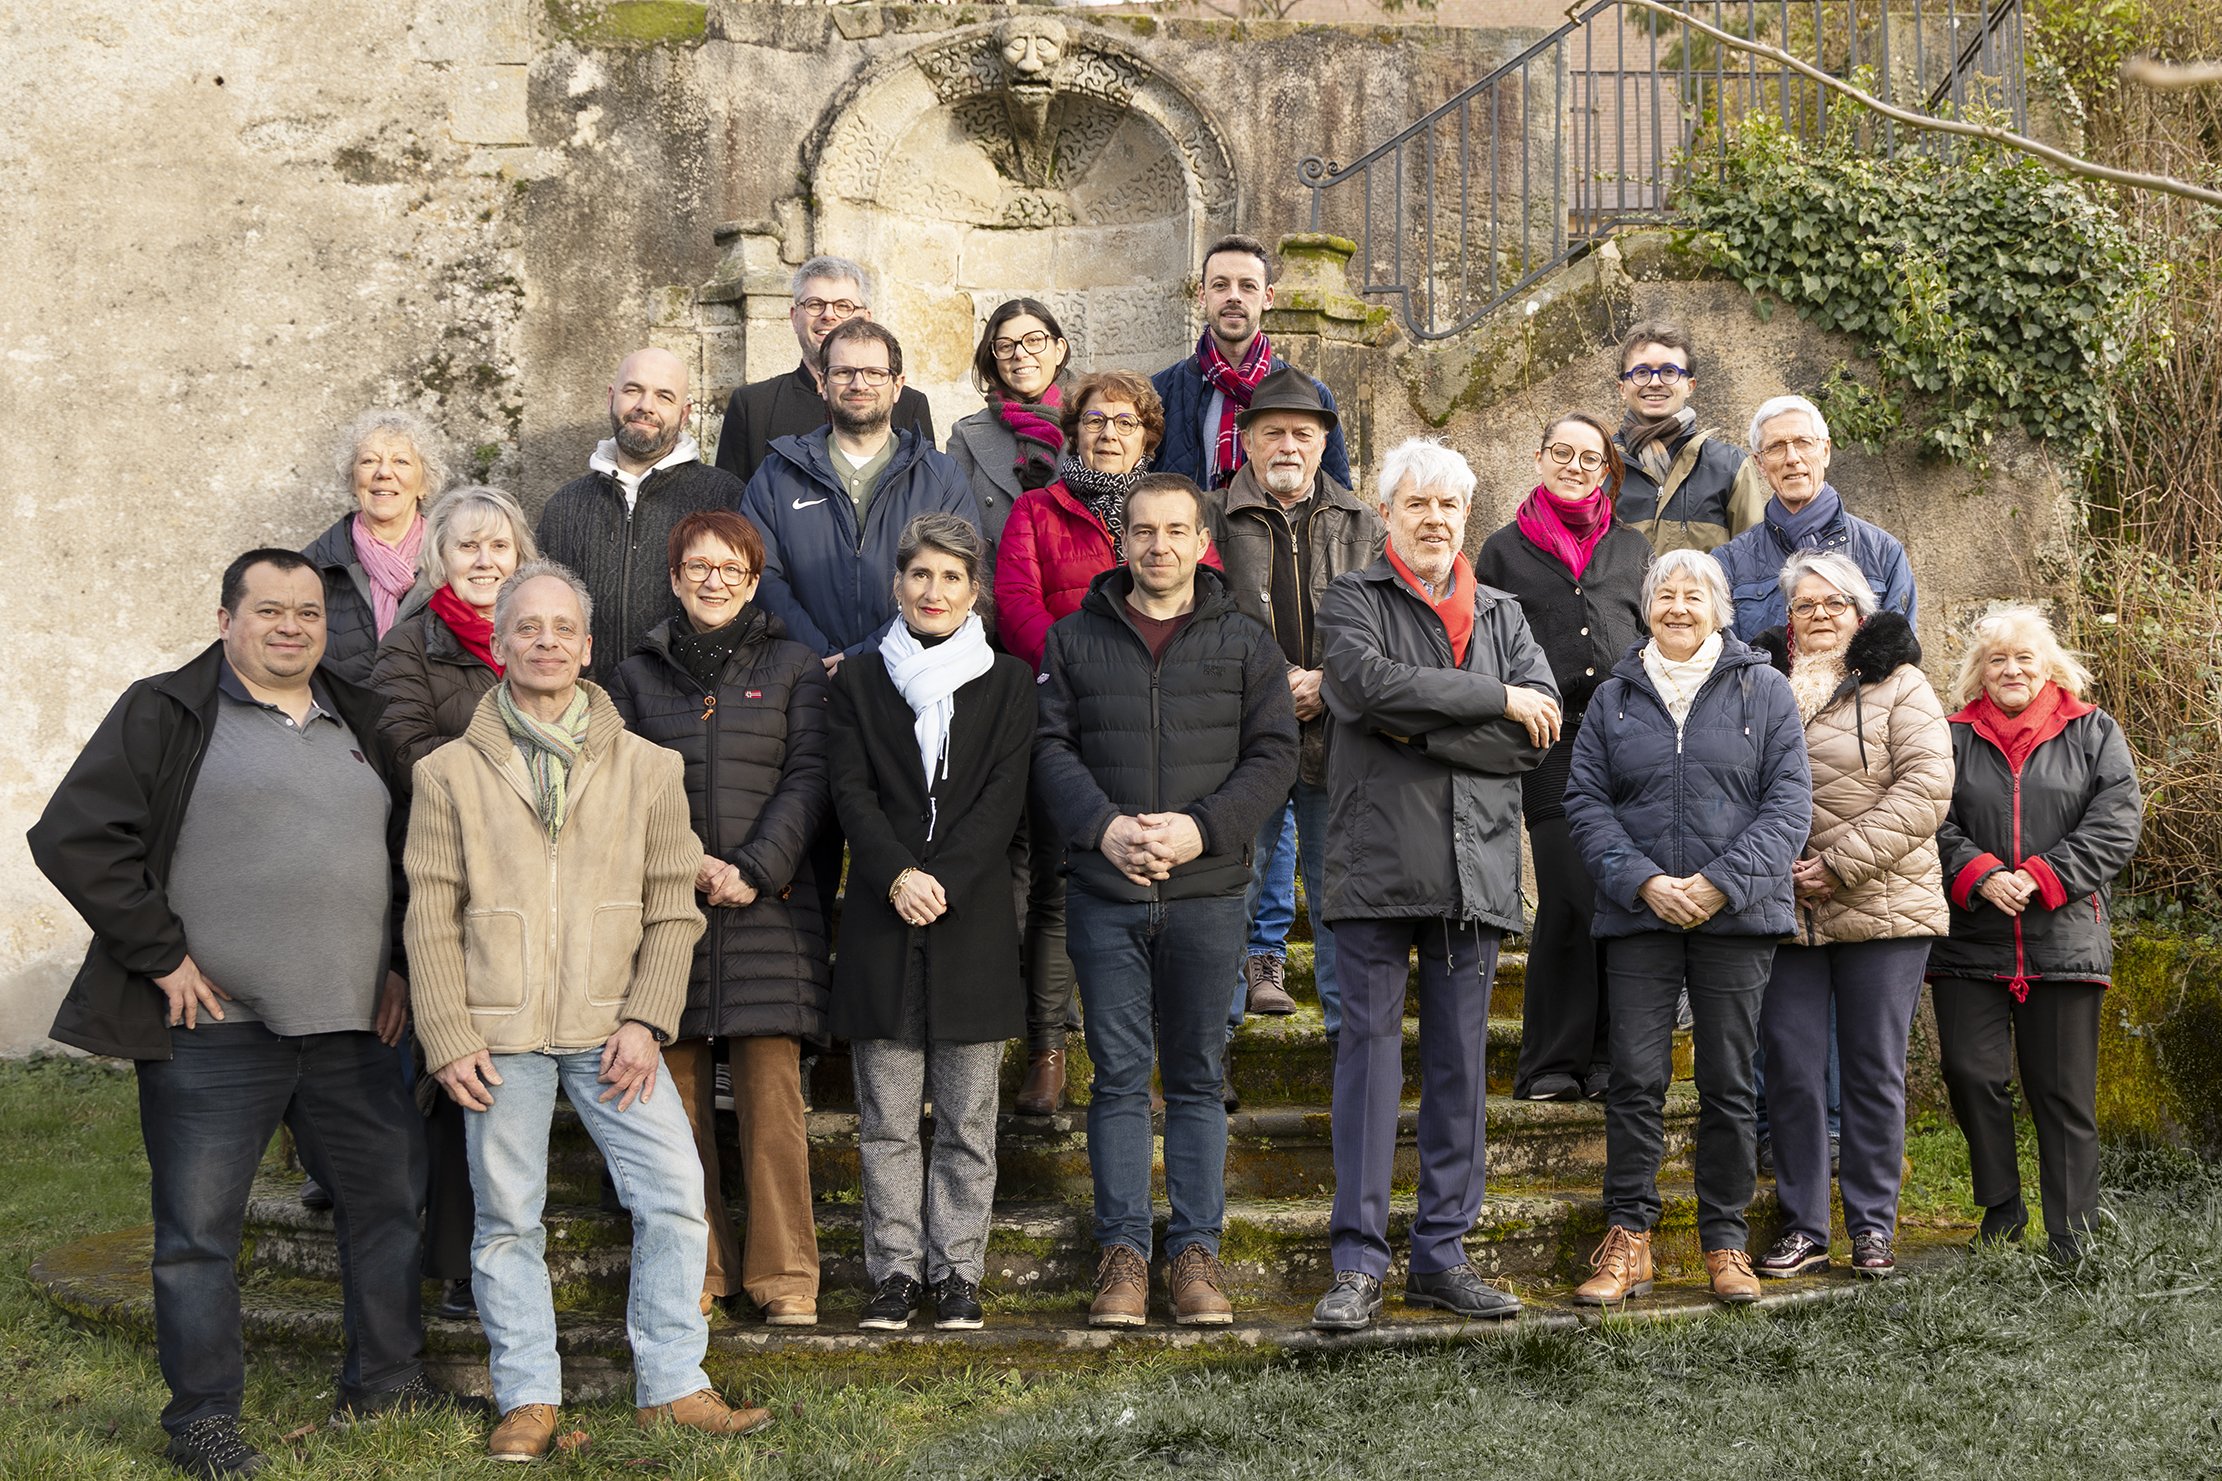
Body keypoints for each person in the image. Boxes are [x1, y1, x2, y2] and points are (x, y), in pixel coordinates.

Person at [29, 549, 445, 1479]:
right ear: (228, 620)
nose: (292, 625)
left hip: (351, 1028)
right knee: (196, 1236)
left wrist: (399, 965)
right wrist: (160, 953)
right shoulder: (168, 710)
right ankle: (204, 1421)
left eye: (308, 610)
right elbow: (74, 836)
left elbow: (420, 855)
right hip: (214, 1034)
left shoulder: (362, 718)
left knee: (386, 1209)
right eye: (270, 610)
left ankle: (384, 1382)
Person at [406, 562, 772, 1462]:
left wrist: (648, 1018)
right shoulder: (446, 772)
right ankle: (527, 1395)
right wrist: (449, 1033)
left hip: (617, 1029)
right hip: (498, 1036)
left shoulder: (650, 766)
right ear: (499, 645)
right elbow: (428, 907)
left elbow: (672, 900)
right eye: (527, 627)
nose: (545, 641)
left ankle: (675, 1386)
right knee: (506, 1219)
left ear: (588, 646)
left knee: (676, 1198)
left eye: (562, 628)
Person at [1035, 474, 1298, 1329]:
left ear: (1200, 540)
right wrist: (1103, 828)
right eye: (1142, 531)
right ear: (1122, 542)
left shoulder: (1246, 640)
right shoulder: (1075, 640)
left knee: (1194, 1075)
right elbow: (1048, 750)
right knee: (1115, 1079)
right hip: (1105, 891)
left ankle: (1194, 1253)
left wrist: (1199, 829)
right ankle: (1121, 1255)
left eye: (1175, 530)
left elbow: (1273, 756)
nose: (1158, 546)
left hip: (1207, 892)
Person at [1307, 439, 1559, 1333]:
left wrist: (1419, 729)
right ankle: (1357, 1264)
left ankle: (1442, 1257)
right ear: (1388, 515)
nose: (1434, 521)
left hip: (1475, 866)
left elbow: (1539, 732)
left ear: (1466, 519)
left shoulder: (1501, 609)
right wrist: (1492, 700)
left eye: (1450, 508)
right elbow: (1364, 686)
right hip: (1378, 864)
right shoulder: (1352, 598)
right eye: (1417, 505)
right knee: (1367, 1067)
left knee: (1460, 1074)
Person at [1561, 549, 1811, 1307]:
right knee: (1635, 1078)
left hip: (1733, 918)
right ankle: (1630, 1240)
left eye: (1694, 594)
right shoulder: (1614, 697)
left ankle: (1725, 1240)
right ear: (1646, 607)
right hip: (1640, 915)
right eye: (1664, 593)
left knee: (1730, 1082)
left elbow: (1789, 806)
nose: (1678, 605)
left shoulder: (1763, 689)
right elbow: (1585, 802)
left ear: (1721, 608)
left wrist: (1718, 884)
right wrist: (1642, 880)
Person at [606, 512, 831, 1328]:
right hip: (670, 914)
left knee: (773, 1104)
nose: (713, 580)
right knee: (677, 1105)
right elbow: (620, 788)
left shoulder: (796, 666)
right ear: (673, 578)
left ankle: (785, 1278)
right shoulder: (632, 677)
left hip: (771, 914)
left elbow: (810, 776)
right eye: (697, 566)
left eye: (730, 568)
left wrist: (756, 866)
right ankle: (698, 1271)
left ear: (753, 578)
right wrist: (687, 862)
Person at [824, 514, 1036, 1333]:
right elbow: (851, 792)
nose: (934, 591)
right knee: (885, 1119)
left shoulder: (1010, 683)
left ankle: (956, 1270)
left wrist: (942, 878)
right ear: (897, 585)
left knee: (968, 1119)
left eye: (951, 578)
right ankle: (896, 1271)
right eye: (920, 576)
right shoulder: (859, 682)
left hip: (970, 920)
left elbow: (1001, 801)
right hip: (885, 920)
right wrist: (897, 876)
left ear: (973, 591)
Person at [993, 370, 1193, 1114]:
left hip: (1160, 722)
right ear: (1072, 431)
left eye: (1125, 422)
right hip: (1065, 720)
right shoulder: (1036, 512)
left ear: (1147, 435)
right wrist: (1090, 669)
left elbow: (1200, 605)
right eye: (1095, 419)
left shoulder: (1172, 516)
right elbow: (1016, 605)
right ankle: (1047, 1046)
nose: (1108, 432)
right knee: (1057, 885)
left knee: (1165, 890)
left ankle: (1170, 1054)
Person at [1749, 551, 1952, 1280]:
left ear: (1860, 613)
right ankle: (1804, 1225)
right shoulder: (1763, 685)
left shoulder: (1902, 684)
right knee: (1794, 1071)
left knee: (1871, 1070)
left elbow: (1928, 787)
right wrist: (1776, 870)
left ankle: (1871, 1228)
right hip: (1788, 913)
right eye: (1806, 605)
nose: (1821, 614)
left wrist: (1840, 863)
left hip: (1884, 906)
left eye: (1835, 602)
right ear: (1790, 622)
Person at [741, 317, 981, 930]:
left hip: (907, 686)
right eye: (844, 371)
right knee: (804, 853)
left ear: (898, 385)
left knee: (894, 852)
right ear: (822, 381)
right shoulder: (778, 473)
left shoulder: (939, 475)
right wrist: (817, 654)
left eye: (875, 372)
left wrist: (864, 656)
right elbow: (761, 575)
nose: (859, 383)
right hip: (801, 688)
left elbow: (951, 576)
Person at [369, 483, 538, 1322]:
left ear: (520, 556)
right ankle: (457, 1261)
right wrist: (518, 777)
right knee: (455, 1074)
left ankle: (514, 1239)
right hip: (447, 881)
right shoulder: (409, 646)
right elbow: (409, 750)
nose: (483, 561)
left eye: (498, 547)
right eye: (467, 546)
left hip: (538, 889)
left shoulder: (539, 636)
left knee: (515, 1065)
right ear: (439, 555)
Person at [1930, 604, 2143, 1265]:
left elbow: (2116, 821)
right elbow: (1927, 820)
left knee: (2062, 1093)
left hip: (2064, 939)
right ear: (1979, 671)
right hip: (1971, 939)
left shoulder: (2094, 732)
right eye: (1998, 659)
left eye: (2025, 657)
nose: (2012, 669)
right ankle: (2002, 1210)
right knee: (1969, 1072)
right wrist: (1980, 871)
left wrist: (2043, 876)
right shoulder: (1950, 737)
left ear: (2049, 664)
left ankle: (2072, 1236)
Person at [1201, 367, 1382, 1071]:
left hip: (1340, 736)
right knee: (1230, 895)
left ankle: (1349, 1060)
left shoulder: (1363, 521)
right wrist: (1274, 686)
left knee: (1341, 899)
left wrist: (1332, 680)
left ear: (1322, 442)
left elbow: (1383, 627)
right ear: (1245, 439)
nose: (1287, 444)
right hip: (1244, 740)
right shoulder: (1210, 516)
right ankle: (1208, 1060)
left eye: (1302, 434)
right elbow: (1200, 616)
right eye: (1272, 430)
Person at [1475, 413, 1650, 1104]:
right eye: (1561, 452)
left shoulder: (1634, 548)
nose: (1575, 466)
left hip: (1629, 736)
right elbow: (1484, 642)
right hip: (1550, 737)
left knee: (1622, 892)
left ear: (1606, 468)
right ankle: (1551, 1059)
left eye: (1589, 457)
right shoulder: (1503, 550)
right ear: (1539, 457)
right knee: (1571, 892)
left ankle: (1610, 1059)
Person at [535, 347, 746, 673]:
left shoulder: (725, 498)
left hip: (687, 708)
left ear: (685, 412)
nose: (645, 406)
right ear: (611, 397)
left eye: (664, 396)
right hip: (586, 714)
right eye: (633, 390)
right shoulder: (563, 508)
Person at [1149, 234, 1351, 491]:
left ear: (1268, 297)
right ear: (1202, 295)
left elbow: (1339, 501)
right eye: (1220, 285)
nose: (1234, 296)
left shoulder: (1313, 396)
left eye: (1247, 286)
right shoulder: (1158, 393)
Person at [712, 255, 935, 484]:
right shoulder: (753, 406)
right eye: (815, 304)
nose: (828, 315)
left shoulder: (909, 404)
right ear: (794, 317)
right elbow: (731, 511)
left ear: (866, 320)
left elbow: (927, 494)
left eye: (843, 306)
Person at [1714, 394, 1915, 640]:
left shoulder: (1884, 552)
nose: (1792, 458)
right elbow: (1726, 662)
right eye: (1775, 447)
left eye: (1803, 442)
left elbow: (1898, 658)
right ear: (1760, 463)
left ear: (1825, 451)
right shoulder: (1729, 563)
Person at [302, 408, 449, 685]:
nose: (384, 472)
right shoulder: (310, 568)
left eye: (401, 461)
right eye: (369, 461)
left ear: (424, 484)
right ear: (352, 479)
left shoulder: (456, 564)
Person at [1608, 322, 1767, 556]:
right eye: (1641, 372)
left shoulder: (1730, 466)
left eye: (1669, 372)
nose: (1654, 382)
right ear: (1622, 387)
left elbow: (1753, 563)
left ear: (1690, 385)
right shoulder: (1600, 464)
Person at [946, 298, 1071, 562]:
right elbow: (956, 535)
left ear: (1059, 349)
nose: (1020, 353)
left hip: (1080, 595)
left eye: (1034, 340)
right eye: (1005, 346)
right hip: (999, 591)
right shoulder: (966, 436)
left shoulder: (1093, 422)